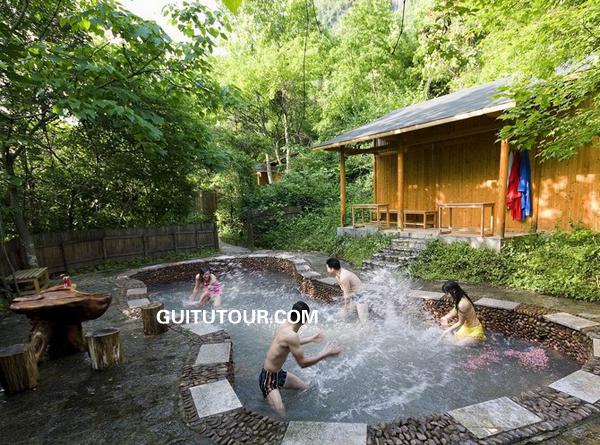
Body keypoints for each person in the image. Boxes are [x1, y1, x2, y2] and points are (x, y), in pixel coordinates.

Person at [259, 301, 342, 417]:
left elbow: (286, 342)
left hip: (278, 374)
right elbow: (302, 363)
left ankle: (273, 396)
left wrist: (311, 338)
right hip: (268, 380)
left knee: (304, 389)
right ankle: (267, 405)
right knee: (281, 415)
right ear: (305, 320)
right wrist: (325, 354)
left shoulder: (284, 325)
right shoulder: (292, 336)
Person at [439, 281, 486, 345]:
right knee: (450, 342)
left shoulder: (462, 304)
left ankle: (480, 339)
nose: (446, 296)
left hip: (475, 331)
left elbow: (460, 322)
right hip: (466, 328)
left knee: (456, 346)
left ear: (454, 291)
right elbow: (456, 309)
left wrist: (446, 331)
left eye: (447, 293)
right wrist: (446, 317)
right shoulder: (461, 296)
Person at [325, 258, 368, 322]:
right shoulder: (337, 275)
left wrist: (345, 307)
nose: (326, 270)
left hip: (361, 296)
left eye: (327, 268)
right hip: (353, 295)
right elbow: (345, 291)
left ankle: (367, 330)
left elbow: (347, 294)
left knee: (363, 320)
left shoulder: (344, 277)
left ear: (332, 269)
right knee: (347, 316)